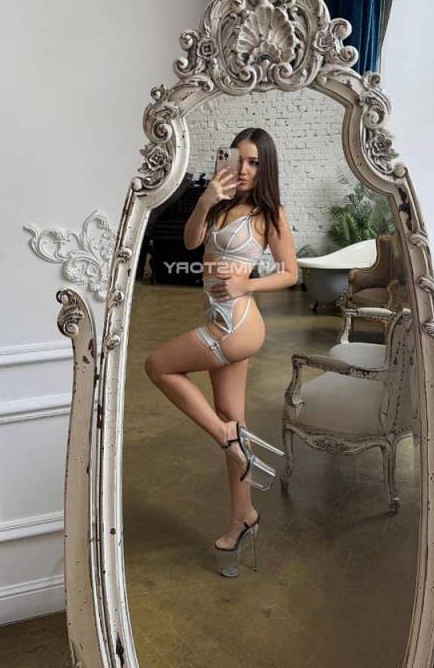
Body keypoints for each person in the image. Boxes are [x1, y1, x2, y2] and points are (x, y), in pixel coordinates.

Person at [144, 127, 298, 576]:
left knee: (158, 366)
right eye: (239, 159)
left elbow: (290, 272)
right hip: (223, 320)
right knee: (234, 420)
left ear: (266, 167)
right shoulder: (220, 204)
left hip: (236, 325)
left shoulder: (270, 213)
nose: (245, 169)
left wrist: (247, 282)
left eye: (254, 162)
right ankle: (243, 517)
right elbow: (191, 243)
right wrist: (205, 200)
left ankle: (229, 440)